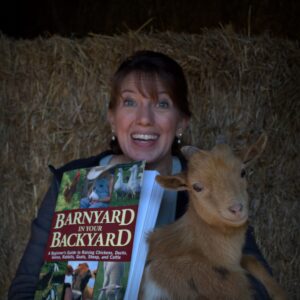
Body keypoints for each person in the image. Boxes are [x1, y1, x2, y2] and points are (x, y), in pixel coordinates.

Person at [9, 50, 272, 299]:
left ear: (181, 122)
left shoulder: (209, 186)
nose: (144, 118)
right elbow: (24, 288)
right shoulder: (71, 182)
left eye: (162, 103)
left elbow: (258, 288)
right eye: (130, 102)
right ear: (112, 118)